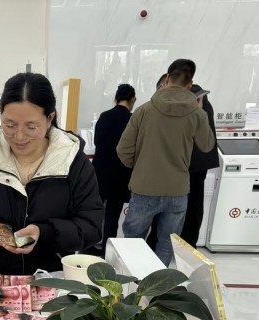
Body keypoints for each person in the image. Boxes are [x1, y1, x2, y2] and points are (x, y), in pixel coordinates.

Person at [0, 72, 103, 275]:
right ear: (0, 114)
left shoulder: (72, 162)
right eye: (10, 125)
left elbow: (92, 226)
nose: (18, 136)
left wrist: (44, 233)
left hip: (49, 280)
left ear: (50, 119)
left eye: (31, 127)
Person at [117, 59, 215, 266]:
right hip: (177, 190)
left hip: (144, 187)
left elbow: (123, 149)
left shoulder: (144, 110)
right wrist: (202, 114)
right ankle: (157, 283)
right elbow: (207, 146)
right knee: (167, 244)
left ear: (167, 78)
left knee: (132, 242)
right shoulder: (197, 114)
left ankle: (132, 282)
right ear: (190, 84)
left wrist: (140, 167)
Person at [147, 83, 219, 249]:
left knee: (175, 204)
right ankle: (185, 244)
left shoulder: (192, 98)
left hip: (190, 163)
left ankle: (168, 243)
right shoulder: (197, 98)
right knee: (191, 205)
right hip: (195, 163)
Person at [92, 84, 136, 253]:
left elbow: (97, 141)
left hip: (100, 171)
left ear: (116, 98)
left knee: (94, 212)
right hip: (120, 174)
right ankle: (106, 251)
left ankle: (90, 247)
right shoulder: (132, 119)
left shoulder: (104, 116)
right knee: (112, 215)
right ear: (132, 100)